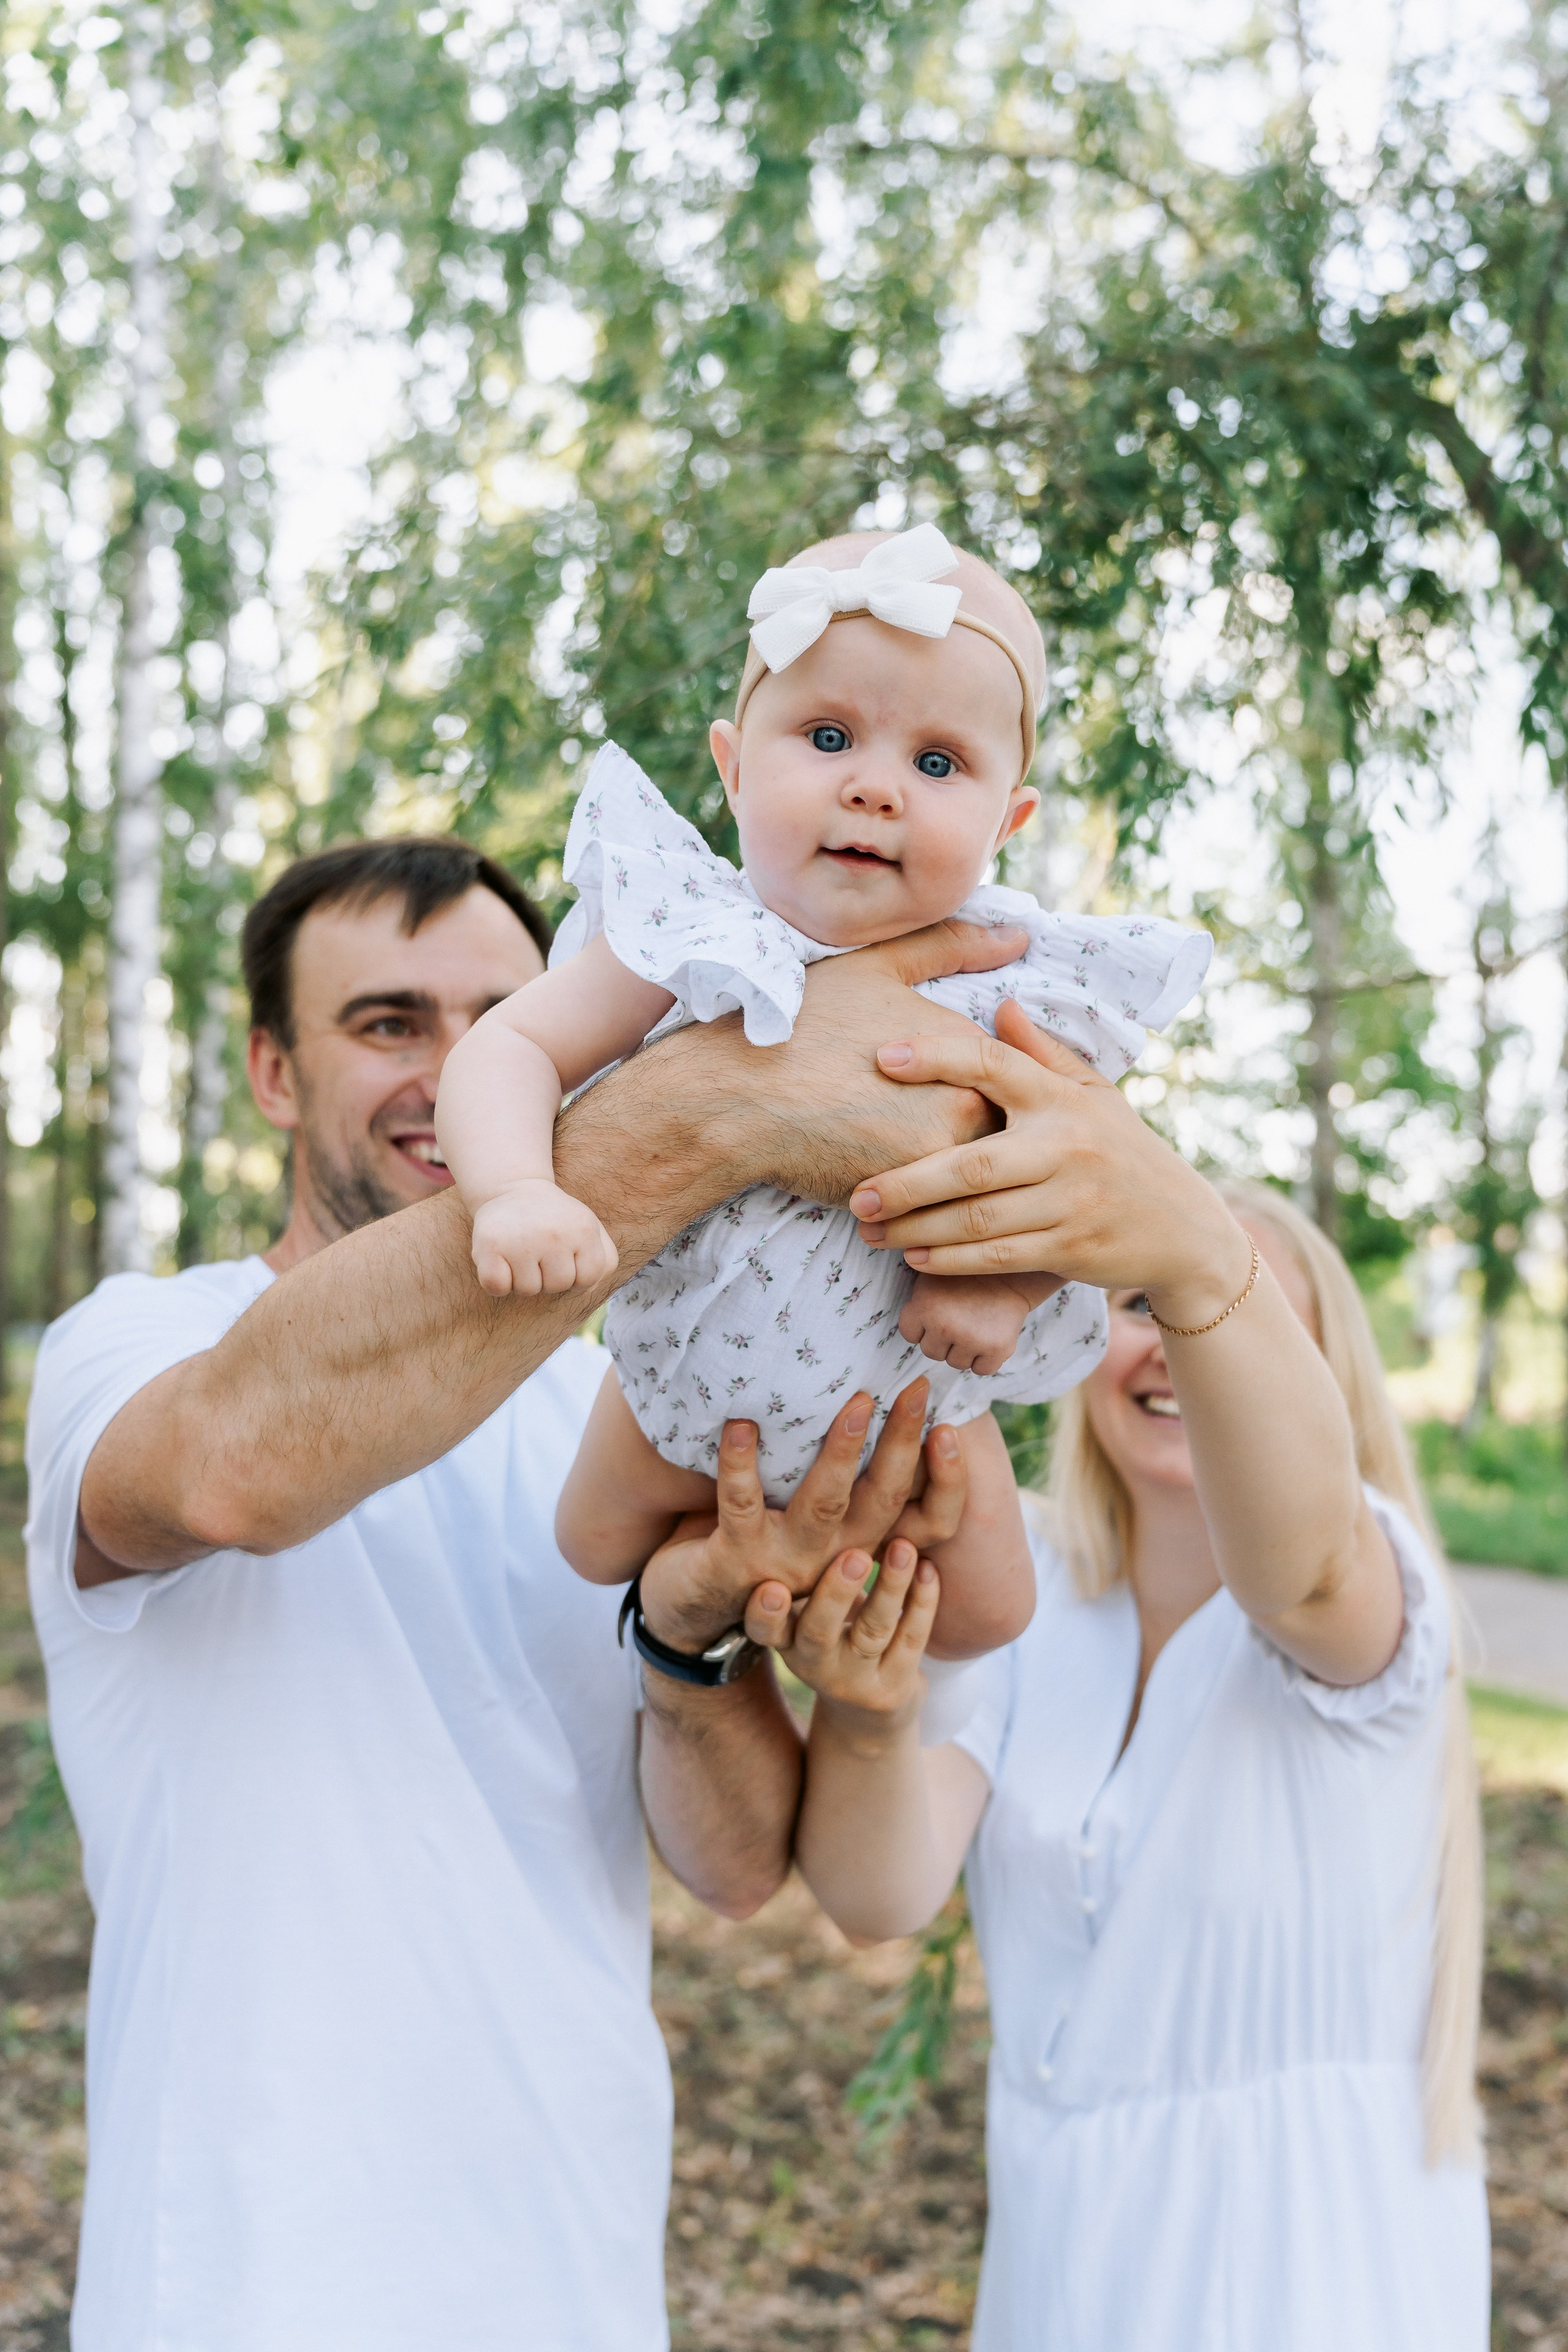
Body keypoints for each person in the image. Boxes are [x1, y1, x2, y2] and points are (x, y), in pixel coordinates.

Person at [24, 832, 1015, 2352]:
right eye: (387, 1023)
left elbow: (739, 1871)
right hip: (243, 2287)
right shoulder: (138, 1342)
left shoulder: (618, 1422)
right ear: (274, 1073)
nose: (453, 1068)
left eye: (501, 1017)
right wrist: (720, 1110)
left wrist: (690, 1641)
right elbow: (231, 1472)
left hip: (567, 2276)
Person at [778, 1013, 1489, 2351]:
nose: (1164, 1342)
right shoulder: (1021, 1593)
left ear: (1315, 1373)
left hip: (1308, 2279)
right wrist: (866, 1720)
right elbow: (878, 1896)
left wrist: (1180, 1243)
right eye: (1127, 1308)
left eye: (1227, 1312)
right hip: (1061, 2266)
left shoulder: (1370, 1594)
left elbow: (1295, 1568)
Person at [435, 522, 1208, 1660]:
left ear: (1010, 820)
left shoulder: (1018, 982)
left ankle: (802, 1622)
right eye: (830, 735)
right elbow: (509, 1051)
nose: (875, 789)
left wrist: (1009, 1292)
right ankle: (727, 1575)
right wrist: (510, 1192)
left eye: (937, 765)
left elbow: (1104, 1187)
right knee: (590, 1542)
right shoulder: (687, 938)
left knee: (993, 1616)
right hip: (687, 1374)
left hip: (917, 1388)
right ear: (734, 763)